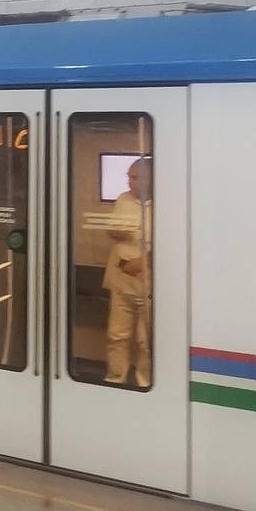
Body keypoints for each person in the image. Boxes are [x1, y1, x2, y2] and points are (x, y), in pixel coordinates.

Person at [104, 157, 153, 388]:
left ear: (150, 179)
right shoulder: (123, 199)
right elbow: (111, 229)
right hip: (121, 281)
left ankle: (145, 384)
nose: (129, 182)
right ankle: (115, 380)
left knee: (146, 342)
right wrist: (121, 231)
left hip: (149, 285)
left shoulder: (167, 204)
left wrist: (144, 261)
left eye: (134, 178)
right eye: (129, 177)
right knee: (117, 336)